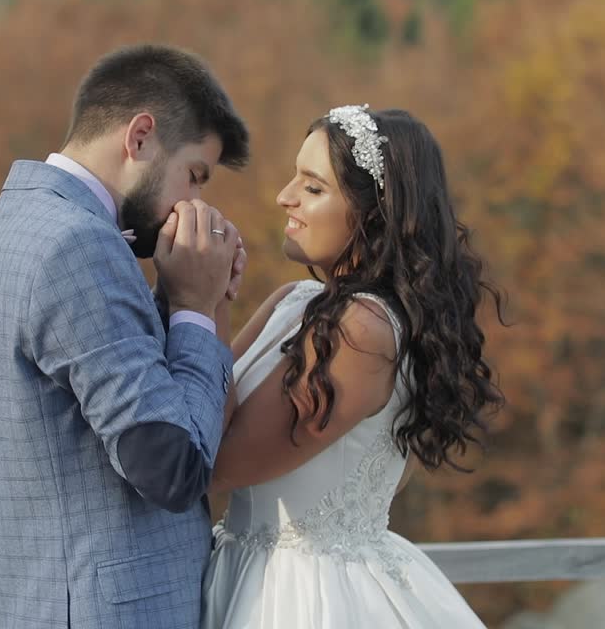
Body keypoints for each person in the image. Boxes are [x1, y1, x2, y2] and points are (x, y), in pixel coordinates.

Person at [0, 44, 250, 628]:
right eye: (193, 176)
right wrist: (195, 307)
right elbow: (171, 467)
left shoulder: (12, 222)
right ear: (140, 137)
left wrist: (180, 295)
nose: (192, 204)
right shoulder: (79, 247)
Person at [200, 105, 504, 628]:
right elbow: (200, 401)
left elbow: (216, 463)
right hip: (241, 567)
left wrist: (206, 300)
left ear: (372, 214)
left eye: (313, 188)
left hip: (302, 596)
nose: (284, 197)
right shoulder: (292, 301)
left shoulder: (360, 331)